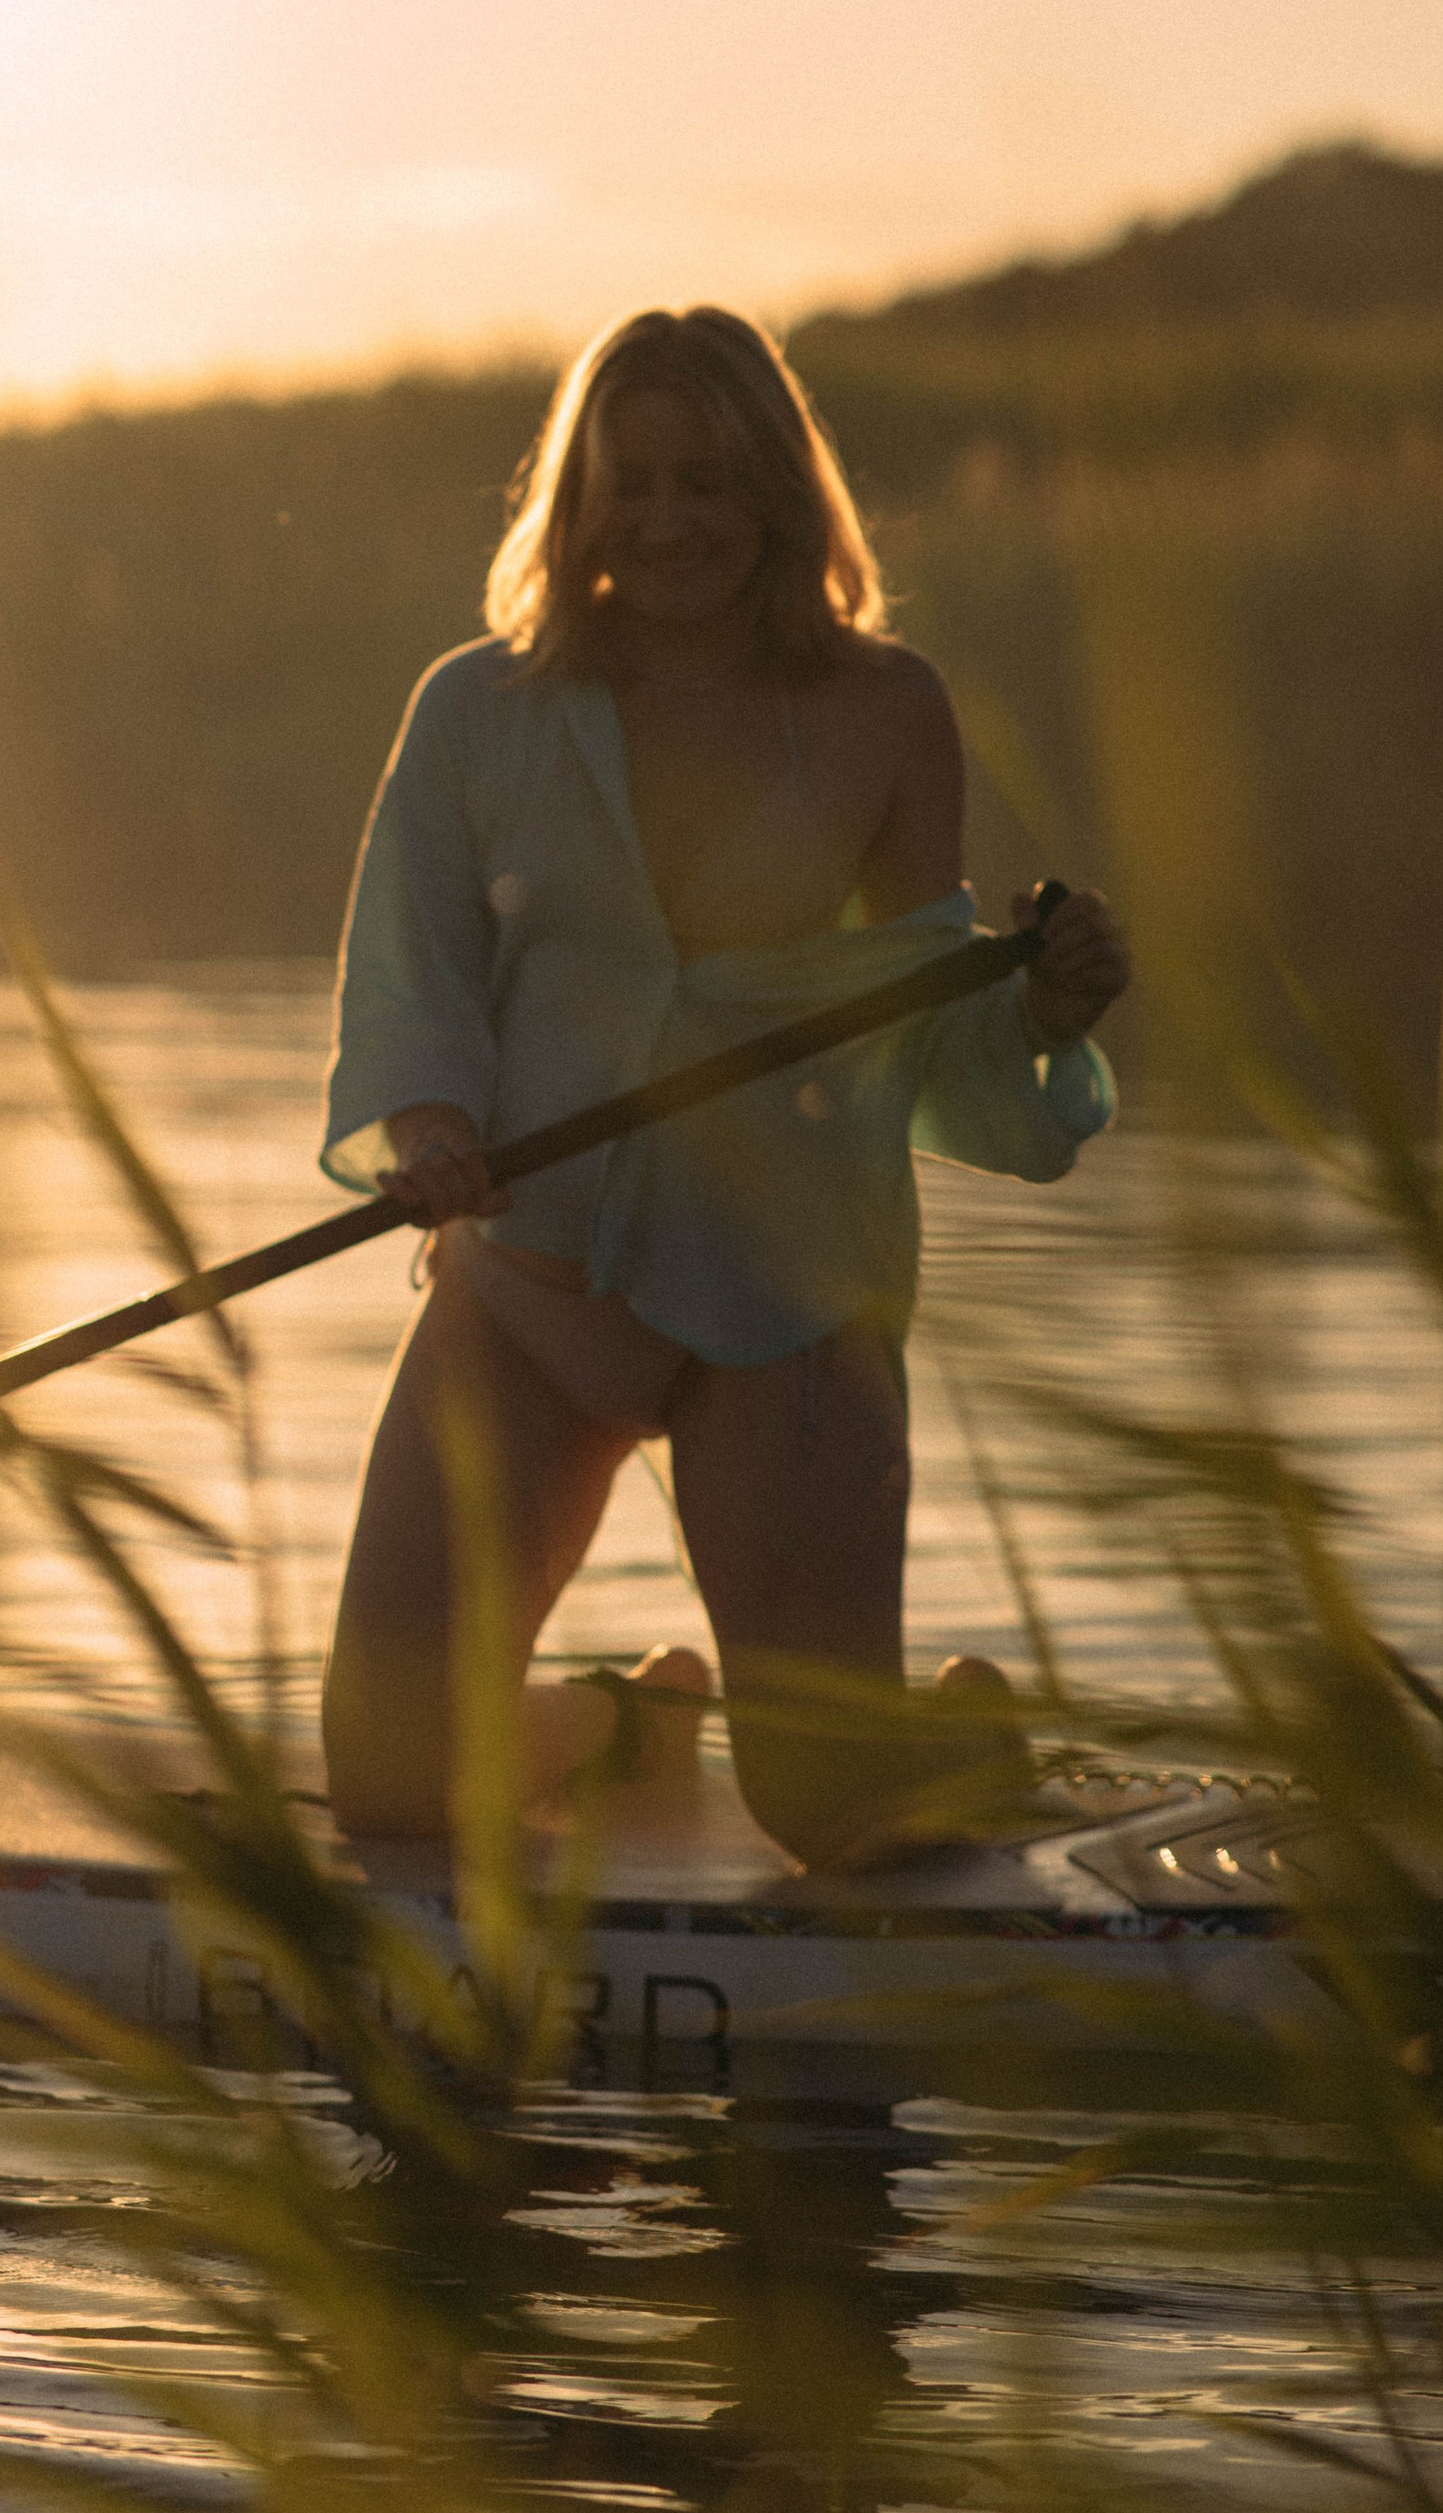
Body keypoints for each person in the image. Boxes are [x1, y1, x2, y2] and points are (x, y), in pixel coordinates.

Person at [318, 304, 1129, 1867]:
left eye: (711, 480)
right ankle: (630, 1725)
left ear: (775, 490)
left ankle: (962, 1733)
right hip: (534, 1283)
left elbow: (924, 1035)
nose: (672, 521)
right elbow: (414, 977)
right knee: (391, 1796)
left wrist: (1035, 1002)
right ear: (580, 503)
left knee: (831, 1810)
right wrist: (431, 1126)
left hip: (785, 1306)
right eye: (635, 484)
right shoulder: (472, 713)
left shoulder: (888, 711)